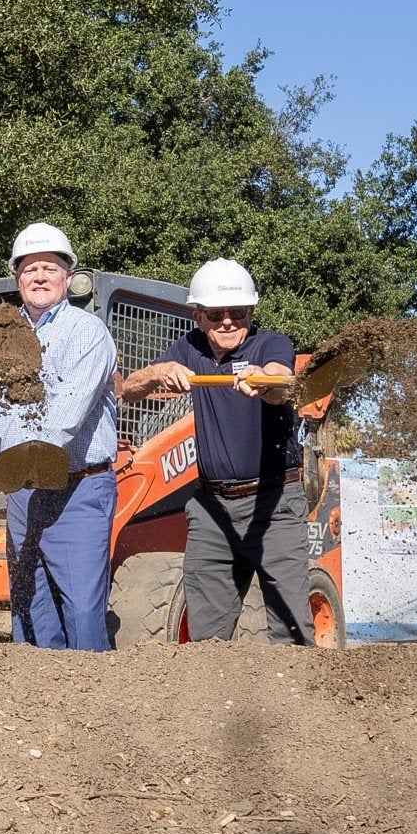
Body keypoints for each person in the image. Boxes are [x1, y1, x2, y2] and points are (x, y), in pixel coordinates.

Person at [120, 258, 312, 644]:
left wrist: (261, 381)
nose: (227, 322)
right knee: (205, 640)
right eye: (216, 314)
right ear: (198, 317)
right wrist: (160, 372)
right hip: (212, 509)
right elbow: (128, 387)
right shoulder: (188, 348)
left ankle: (294, 702)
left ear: (251, 312)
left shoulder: (271, 343)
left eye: (237, 313)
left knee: (291, 631)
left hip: (274, 504)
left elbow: (281, 378)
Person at [0, 223, 119, 651]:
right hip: (22, 493)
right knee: (29, 605)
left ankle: (92, 706)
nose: (39, 276)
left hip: (77, 488)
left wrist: (10, 462)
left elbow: (66, 416)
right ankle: (36, 714)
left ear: (67, 277)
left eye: (49, 268)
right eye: (30, 268)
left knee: (81, 610)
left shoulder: (88, 333)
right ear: (17, 278)